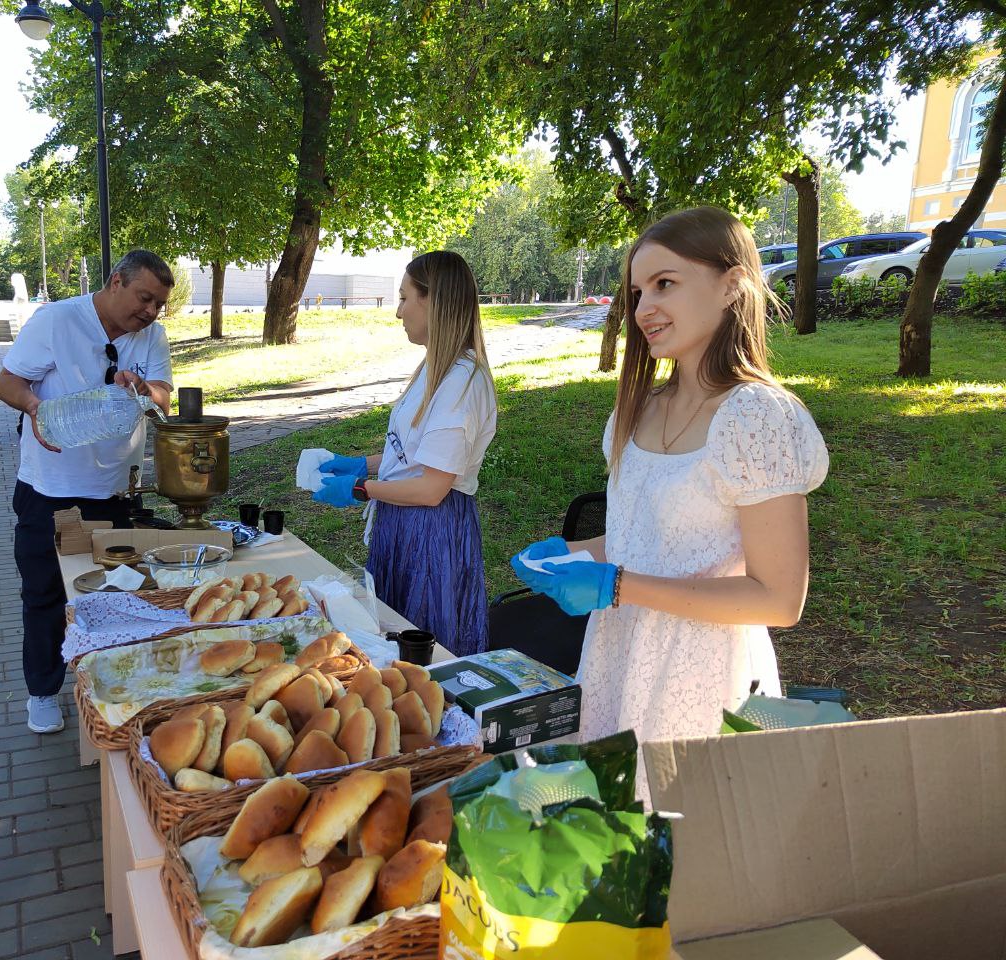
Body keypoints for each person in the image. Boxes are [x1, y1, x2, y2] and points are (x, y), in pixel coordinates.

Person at [510, 206, 829, 796]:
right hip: (616, 658)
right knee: (615, 841)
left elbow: (780, 599)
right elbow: (655, 541)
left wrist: (618, 585)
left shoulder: (757, 417)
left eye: (665, 284)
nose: (643, 309)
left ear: (733, 285)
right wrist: (574, 555)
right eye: (637, 292)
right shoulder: (639, 409)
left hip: (700, 677)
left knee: (684, 848)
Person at [0, 250, 174, 733]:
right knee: (45, 594)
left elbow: (163, 397)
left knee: (113, 593)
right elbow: (6, 381)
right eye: (144, 298)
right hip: (50, 490)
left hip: (115, 491)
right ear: (116, 282)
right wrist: (35, 408)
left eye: (158, 304)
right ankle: (42, 691)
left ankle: (107, 684)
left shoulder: (152, 335)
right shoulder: (56, 321)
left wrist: (141, 387)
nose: (151, 312)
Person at [311, 251, 497, 657]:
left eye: (404, 297)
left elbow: (433, 487)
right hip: (405, 523)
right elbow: (415, 457)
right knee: (394, 640)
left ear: (433, 301)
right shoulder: (436, 369)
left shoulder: (460, 382)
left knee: (424, 652)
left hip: (431, 533)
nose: (398, 312)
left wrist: (361, 488)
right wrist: (363, 464)